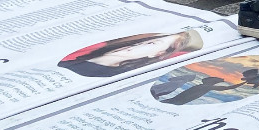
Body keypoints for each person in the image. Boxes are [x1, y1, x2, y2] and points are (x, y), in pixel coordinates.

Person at [58, 29, 205, 77]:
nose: (139, 45)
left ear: (157, 53)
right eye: (145, 41)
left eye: (151, 44)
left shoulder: (112, 73)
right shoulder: (85, 53)